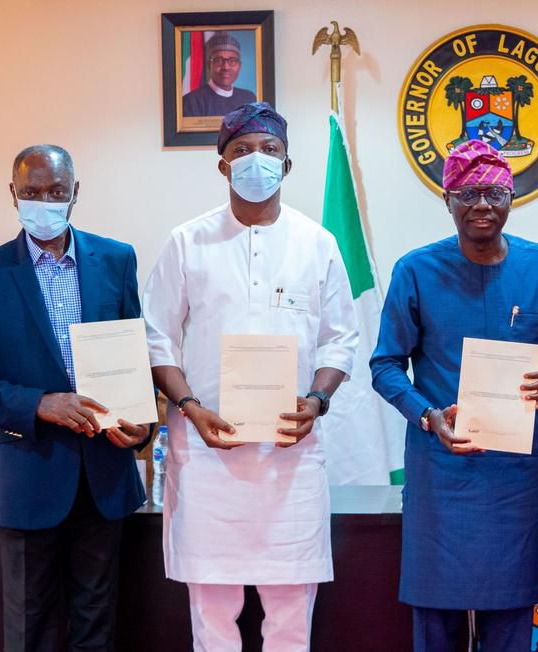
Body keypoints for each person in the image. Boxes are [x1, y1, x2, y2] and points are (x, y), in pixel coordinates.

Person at [143, 102, 358, 652]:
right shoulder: (187, 242)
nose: (255, 161)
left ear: (287, 165)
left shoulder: (318, 244)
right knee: (213, 617)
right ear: (222, 165)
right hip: (208, 456)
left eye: (269, 150)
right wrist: (189, 407)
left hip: (290, 455)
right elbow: (158, 337)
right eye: (241, 151)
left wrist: (317, 399)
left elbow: (341, 339)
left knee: (289, 615)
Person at [370, 140, 538, 651]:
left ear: (512, 196)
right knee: (436, 623)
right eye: (467, 193)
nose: (482, 204)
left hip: (513, 477)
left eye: (493, 191)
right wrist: (426, 415)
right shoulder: (415, 271)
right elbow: (384, 365)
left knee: (511, 618)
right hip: (439, 474)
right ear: (447, 199)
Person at [0, 144, 149, 650]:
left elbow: (135, 351)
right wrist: (39, 403)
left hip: (104, 474)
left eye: (56, 192)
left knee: (96, 625)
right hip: (27, 474)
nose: (45, 201)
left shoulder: (116, 259)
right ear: (13, 196)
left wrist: (142, 422)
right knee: (30, 628)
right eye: (32, 192)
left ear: (75, 193)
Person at [182, 31, 258, 117]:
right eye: (218, 60)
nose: (225, 67)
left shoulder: (249, 99)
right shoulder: (191, 102)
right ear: (209, 65)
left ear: (239, 66)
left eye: (232, 61)